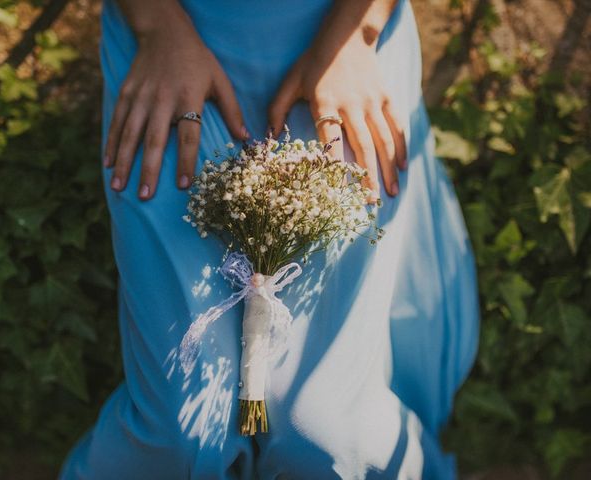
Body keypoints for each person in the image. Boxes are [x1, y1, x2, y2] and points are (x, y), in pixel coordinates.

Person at [58, 0, 480, 478]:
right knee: (184, 432)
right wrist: (156, 25)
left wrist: (358, 33)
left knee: (324, 431)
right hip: (169, 43)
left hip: (340, 44)